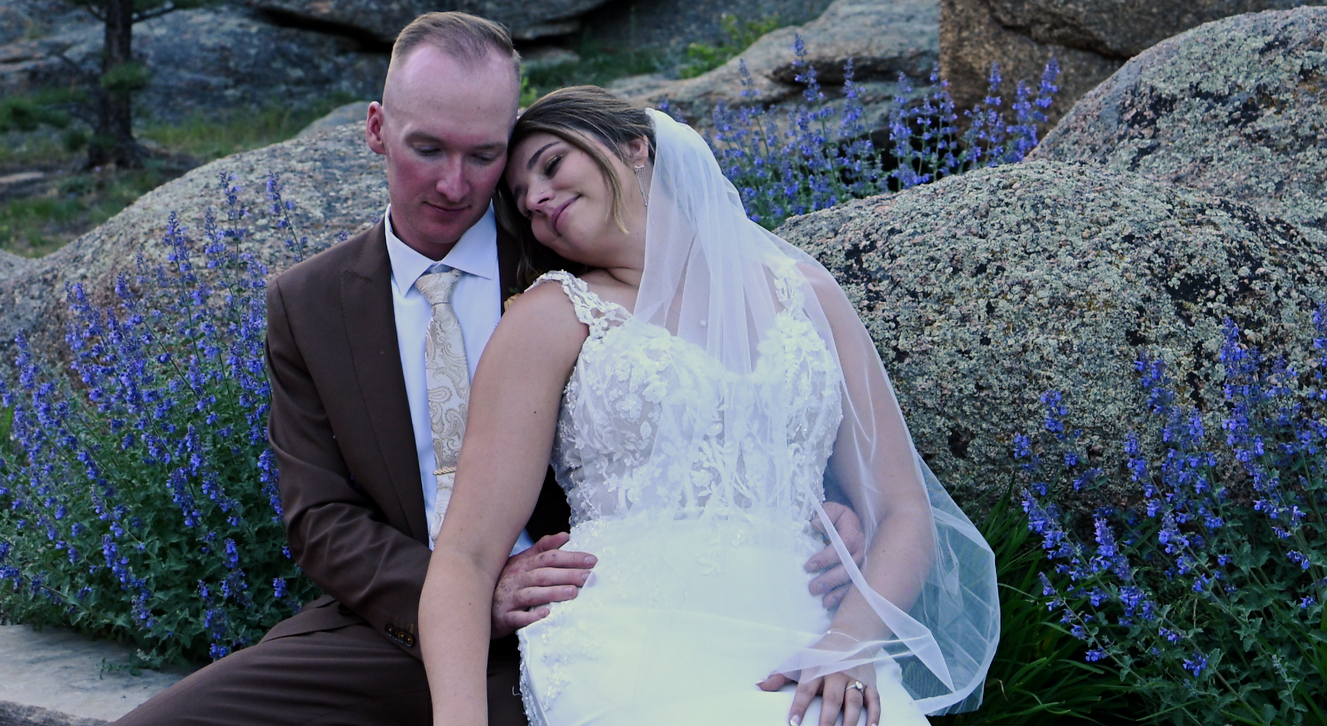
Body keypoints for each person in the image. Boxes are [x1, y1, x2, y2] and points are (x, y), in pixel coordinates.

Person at [116, 14, 865, 726]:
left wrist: (817, 507)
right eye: (428, 149)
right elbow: (319, 518)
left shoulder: (566, 247)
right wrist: (476, 593)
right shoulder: (309, 301)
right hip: (394, 628)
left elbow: (709, 387)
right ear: (377, 130)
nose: (454, 183)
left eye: (483, 155)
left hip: (590, 618)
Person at [419, 88, 1000, 726]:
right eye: (521, 201)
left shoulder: (806, 293)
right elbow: (466, 555)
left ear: (635, 148)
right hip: (633, 643)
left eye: (551, 165)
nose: (534, 198)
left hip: (812, 637)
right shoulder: (548, 318)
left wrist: (851, 641)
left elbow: (902, 508)